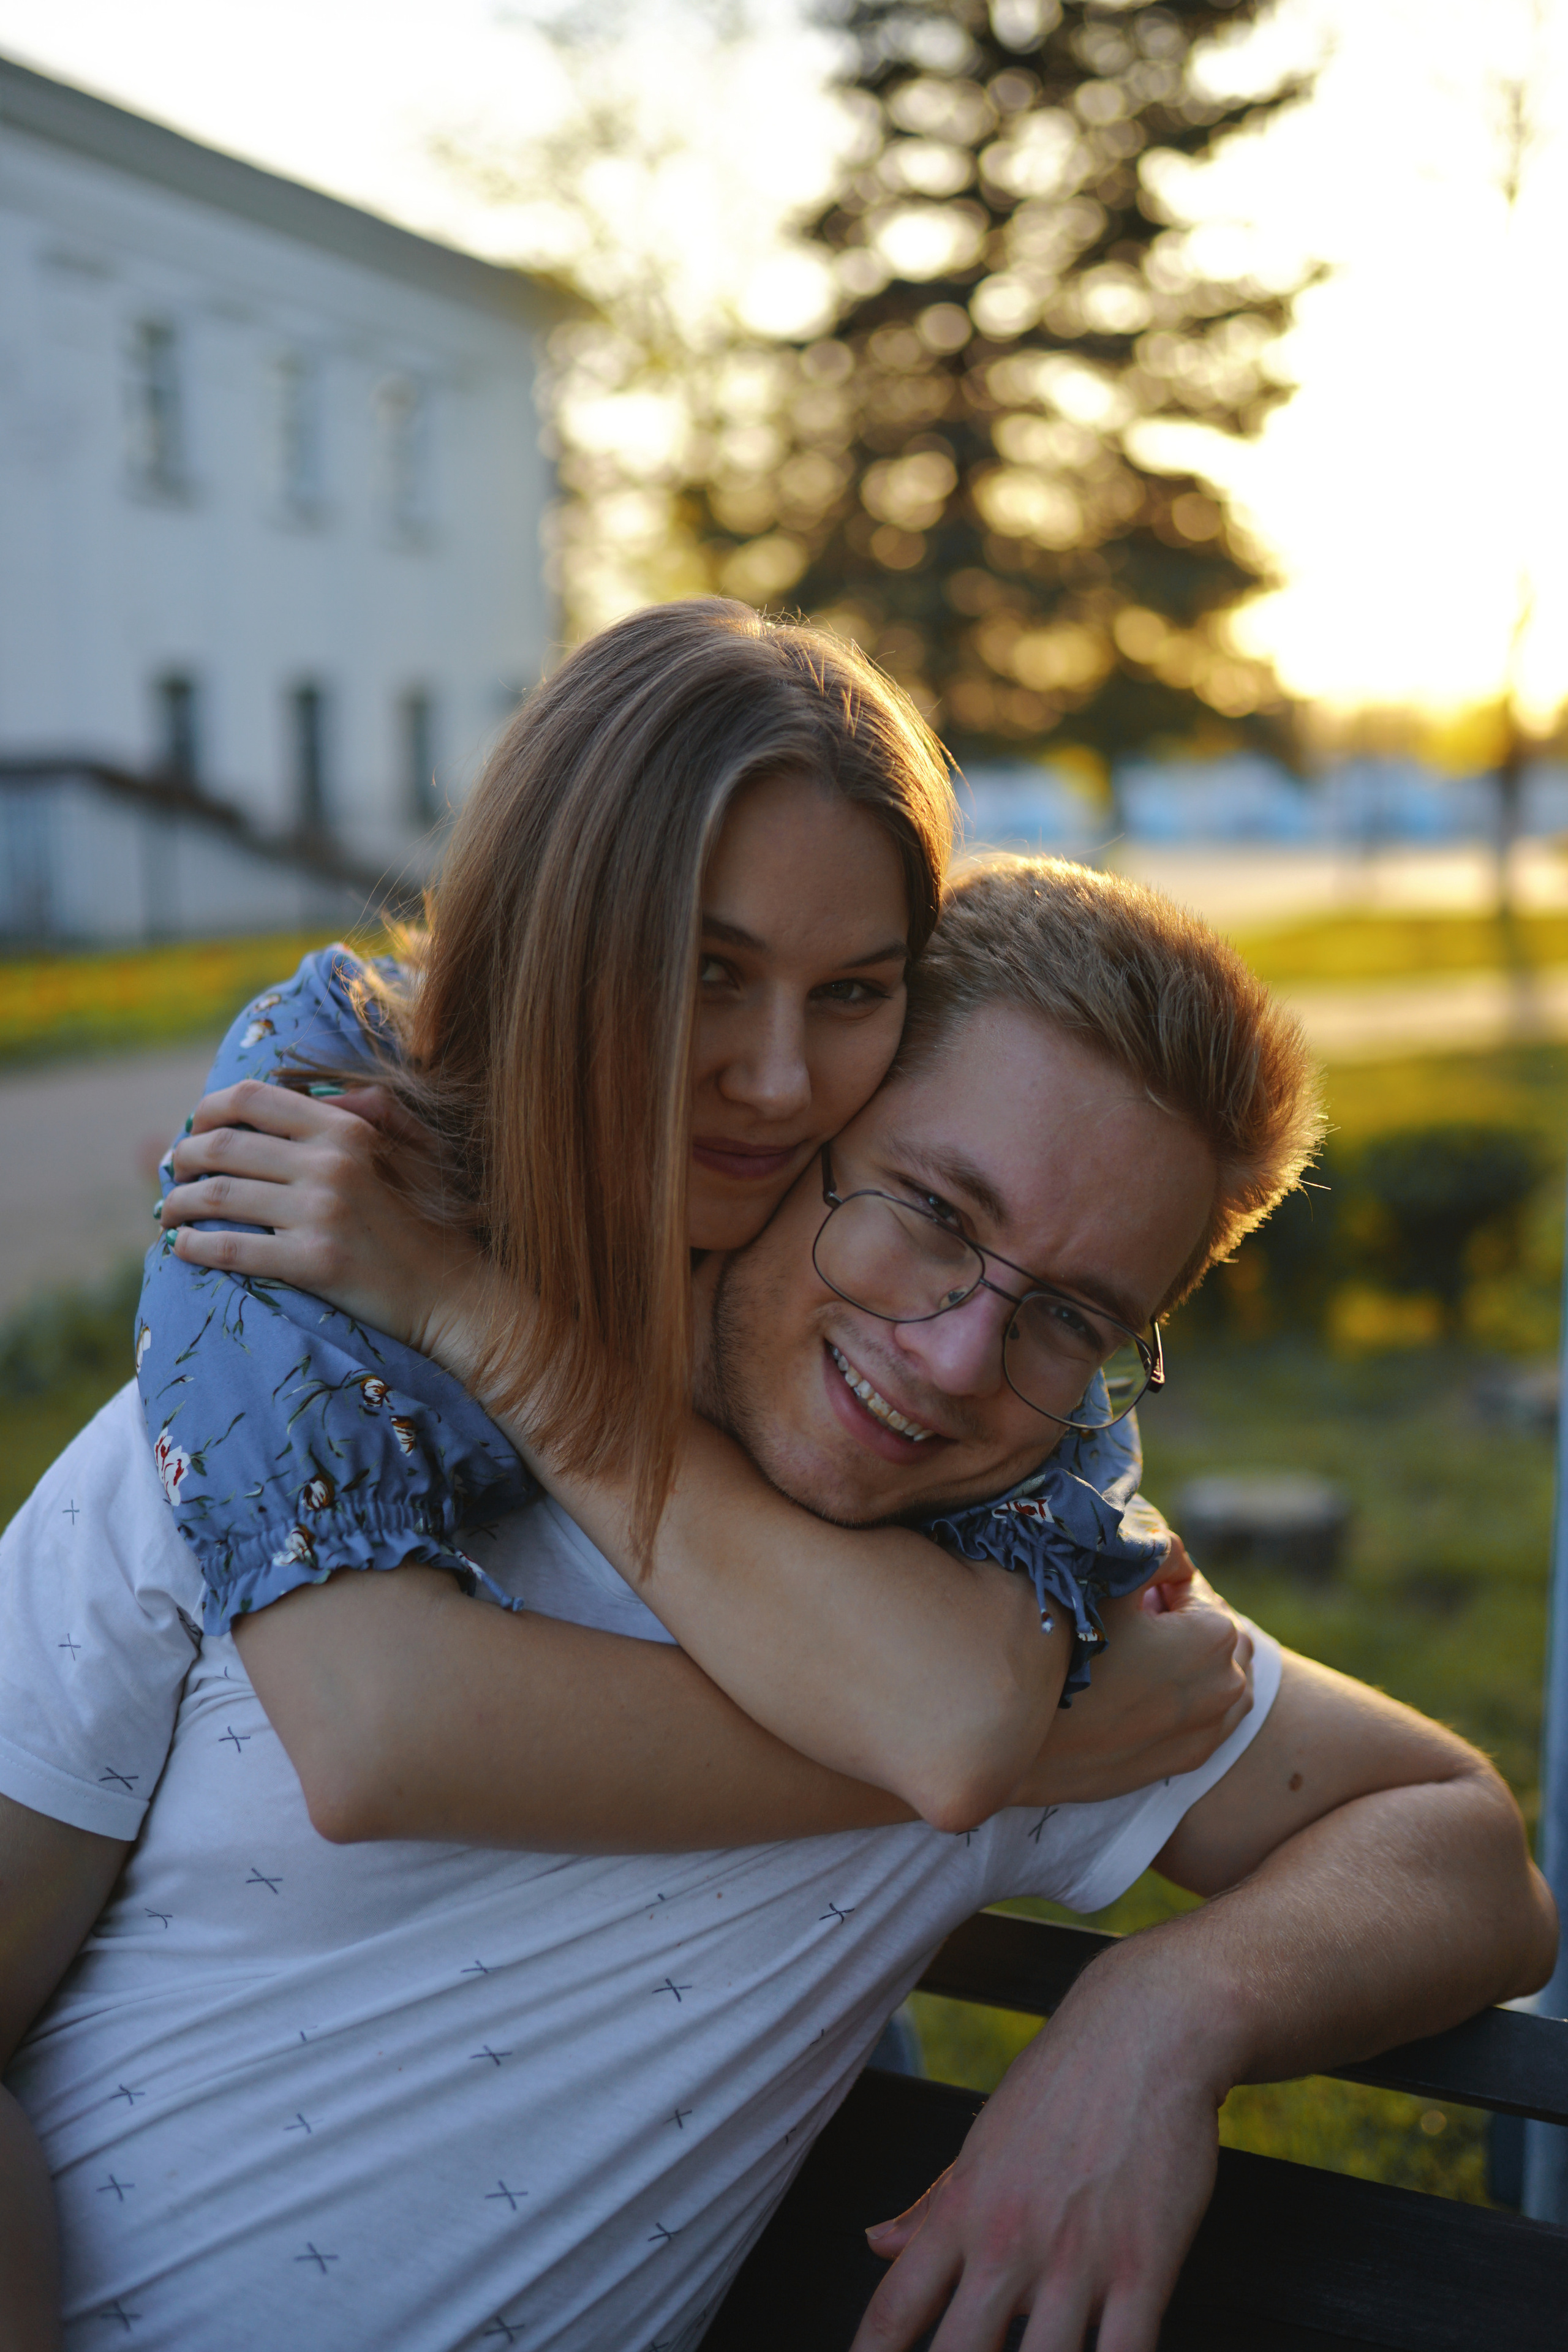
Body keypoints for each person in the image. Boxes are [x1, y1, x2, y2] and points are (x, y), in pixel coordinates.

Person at [2, 861, 1552, 2351]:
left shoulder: (1022, 1633)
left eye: (1071, 1317)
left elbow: (1465, 1847)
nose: (953, 1359)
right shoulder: (270, 1454)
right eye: (932, 1212)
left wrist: (1168, 2013)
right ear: (781, 1132)